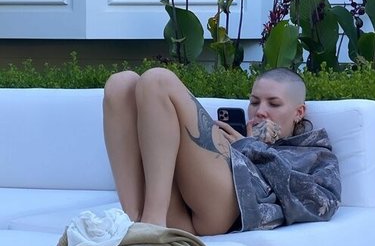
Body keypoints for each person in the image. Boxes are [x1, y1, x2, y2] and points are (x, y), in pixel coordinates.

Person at [102, 66, 341, 235]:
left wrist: (249, 145)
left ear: (299, 112)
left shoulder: (315, 151)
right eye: (254, 102)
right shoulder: (242, 137)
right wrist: (242, 143)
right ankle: (134, 221)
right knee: (121, 84)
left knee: (158, 80)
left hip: (225, 212)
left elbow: (321, 205)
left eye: (274, 103)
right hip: (180, 213)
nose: (260, 111)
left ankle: (152, 225)